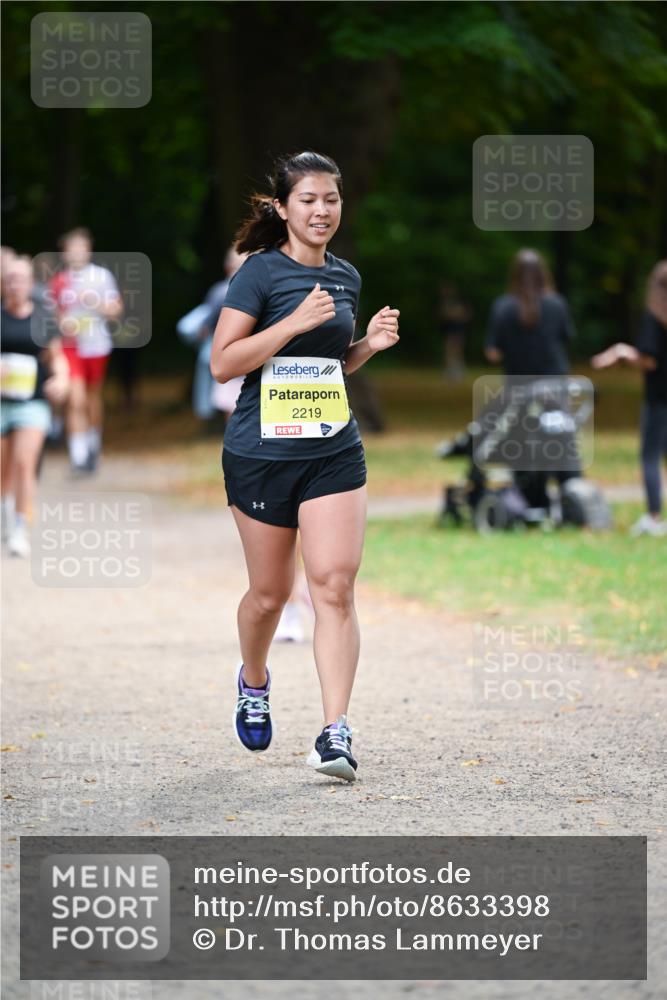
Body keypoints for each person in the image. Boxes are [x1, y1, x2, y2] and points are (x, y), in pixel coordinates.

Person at [210, 151, 400, 781]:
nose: (323, 211)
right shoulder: (258, 275)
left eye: (332, 200)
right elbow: (225, 362)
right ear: (284, 208)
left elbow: (329, 365)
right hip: (261, 456)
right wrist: (291, 322)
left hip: (332, 452)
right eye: (310, 200)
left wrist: (365, 346)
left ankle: (334, 733)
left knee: (335, 587)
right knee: (270, 596)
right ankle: (254, 680)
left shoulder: (345, 275)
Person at [485, 248, 580, 509]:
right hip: (555, 386)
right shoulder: (557, 304)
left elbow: (493, 352)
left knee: (521, 443)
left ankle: (528, 498)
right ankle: (571, 492)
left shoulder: (503, 306)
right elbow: (566, 339)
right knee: (561, 440)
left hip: (519, 389)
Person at [591, 260, 667, 537]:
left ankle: (654, 516)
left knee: (650, 456)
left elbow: (649, 360)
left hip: (659, 397)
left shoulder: (653, 318)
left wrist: (622, 352)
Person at [1, 257, 69, 556]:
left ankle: (19, 527)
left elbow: (56, 357)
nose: (15, 285)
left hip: (32, 402)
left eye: (20, 279)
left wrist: (62, 378)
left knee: (25, 463)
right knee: (3, 469)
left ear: (30, 284)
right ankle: (6, 515)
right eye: (9, 279)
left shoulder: (43, 319)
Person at [49, 228, 123, 474]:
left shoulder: (101, 276)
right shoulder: (59, 280)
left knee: (92, 398)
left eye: (81, 247)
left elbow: (115, 311)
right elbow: (55, 317)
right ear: (65, 252)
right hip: (72, 346)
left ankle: (93, 446)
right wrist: (63, 325)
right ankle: (78, 454)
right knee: (75, 398)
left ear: (89, 250)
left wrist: (95, 302)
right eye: (72, 248)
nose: (77, 253)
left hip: (97, 344)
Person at [438, 280, 472, 382]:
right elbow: (443, 314)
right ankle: (452, 371)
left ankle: (458, 371)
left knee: (456, 350)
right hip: (449, 330)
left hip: (458, 329)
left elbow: (466, 313)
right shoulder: (445, 301)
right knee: (450, 350)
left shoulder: (459, 300)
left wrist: (456, 315)